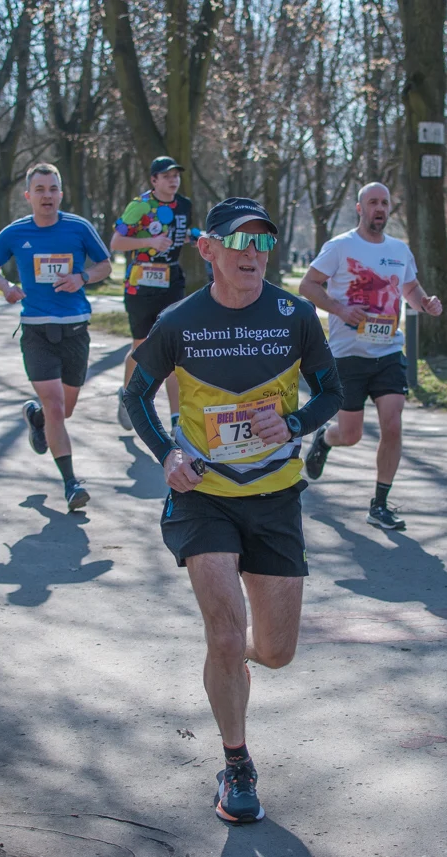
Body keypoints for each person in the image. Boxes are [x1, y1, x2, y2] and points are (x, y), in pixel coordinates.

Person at [122, 198, 343, 824]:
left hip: (275, 496)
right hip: (204, 496)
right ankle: (237, 764)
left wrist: (294, 423)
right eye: (240, 242)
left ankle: (234, 658)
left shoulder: (295, 315)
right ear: (208, 249)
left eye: (263, 242)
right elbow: (136, 395)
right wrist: (167, 454)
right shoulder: (179, 321)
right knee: (223, 633)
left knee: (274, 652)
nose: (253, 254)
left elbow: (332, 391)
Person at [299, 182, 443, 530]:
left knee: (393, 425)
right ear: (360, 208)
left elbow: (409, 287)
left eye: (385, 203)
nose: (380, 208)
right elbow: (307, 285)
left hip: (389, 351)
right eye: (373, 202)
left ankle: (379, 504)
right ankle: (326, 438)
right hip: (349, 354)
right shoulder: (340, 246)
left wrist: (424, 302)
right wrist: (339, 309)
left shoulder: (399, 249)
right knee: (351, 434)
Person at [0, 163, 112, 512]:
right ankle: (71, 483)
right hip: (36, 331)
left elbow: (105, 265)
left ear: (60, 194)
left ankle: (36, 418)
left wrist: (82, 277)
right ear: (28, 196)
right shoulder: (14, 232)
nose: (47, 196)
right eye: (40, 190)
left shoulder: (78, 228)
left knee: (63, 410)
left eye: (53, 189)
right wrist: (7, 287)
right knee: (55, 405)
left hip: (75, 330)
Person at [110, 156, 197, 431]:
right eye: (167, 176)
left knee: (174, 351)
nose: (173, 180)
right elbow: (116, 242)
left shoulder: (184, 205)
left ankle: (176, 421)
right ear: (154, 180)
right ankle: (127, 397)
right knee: (141, 346)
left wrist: (195, 238)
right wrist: (150, 241)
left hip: (172, 281)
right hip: (141, 284)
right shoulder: (140, 206)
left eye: (176, 175)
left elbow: (178, 234)